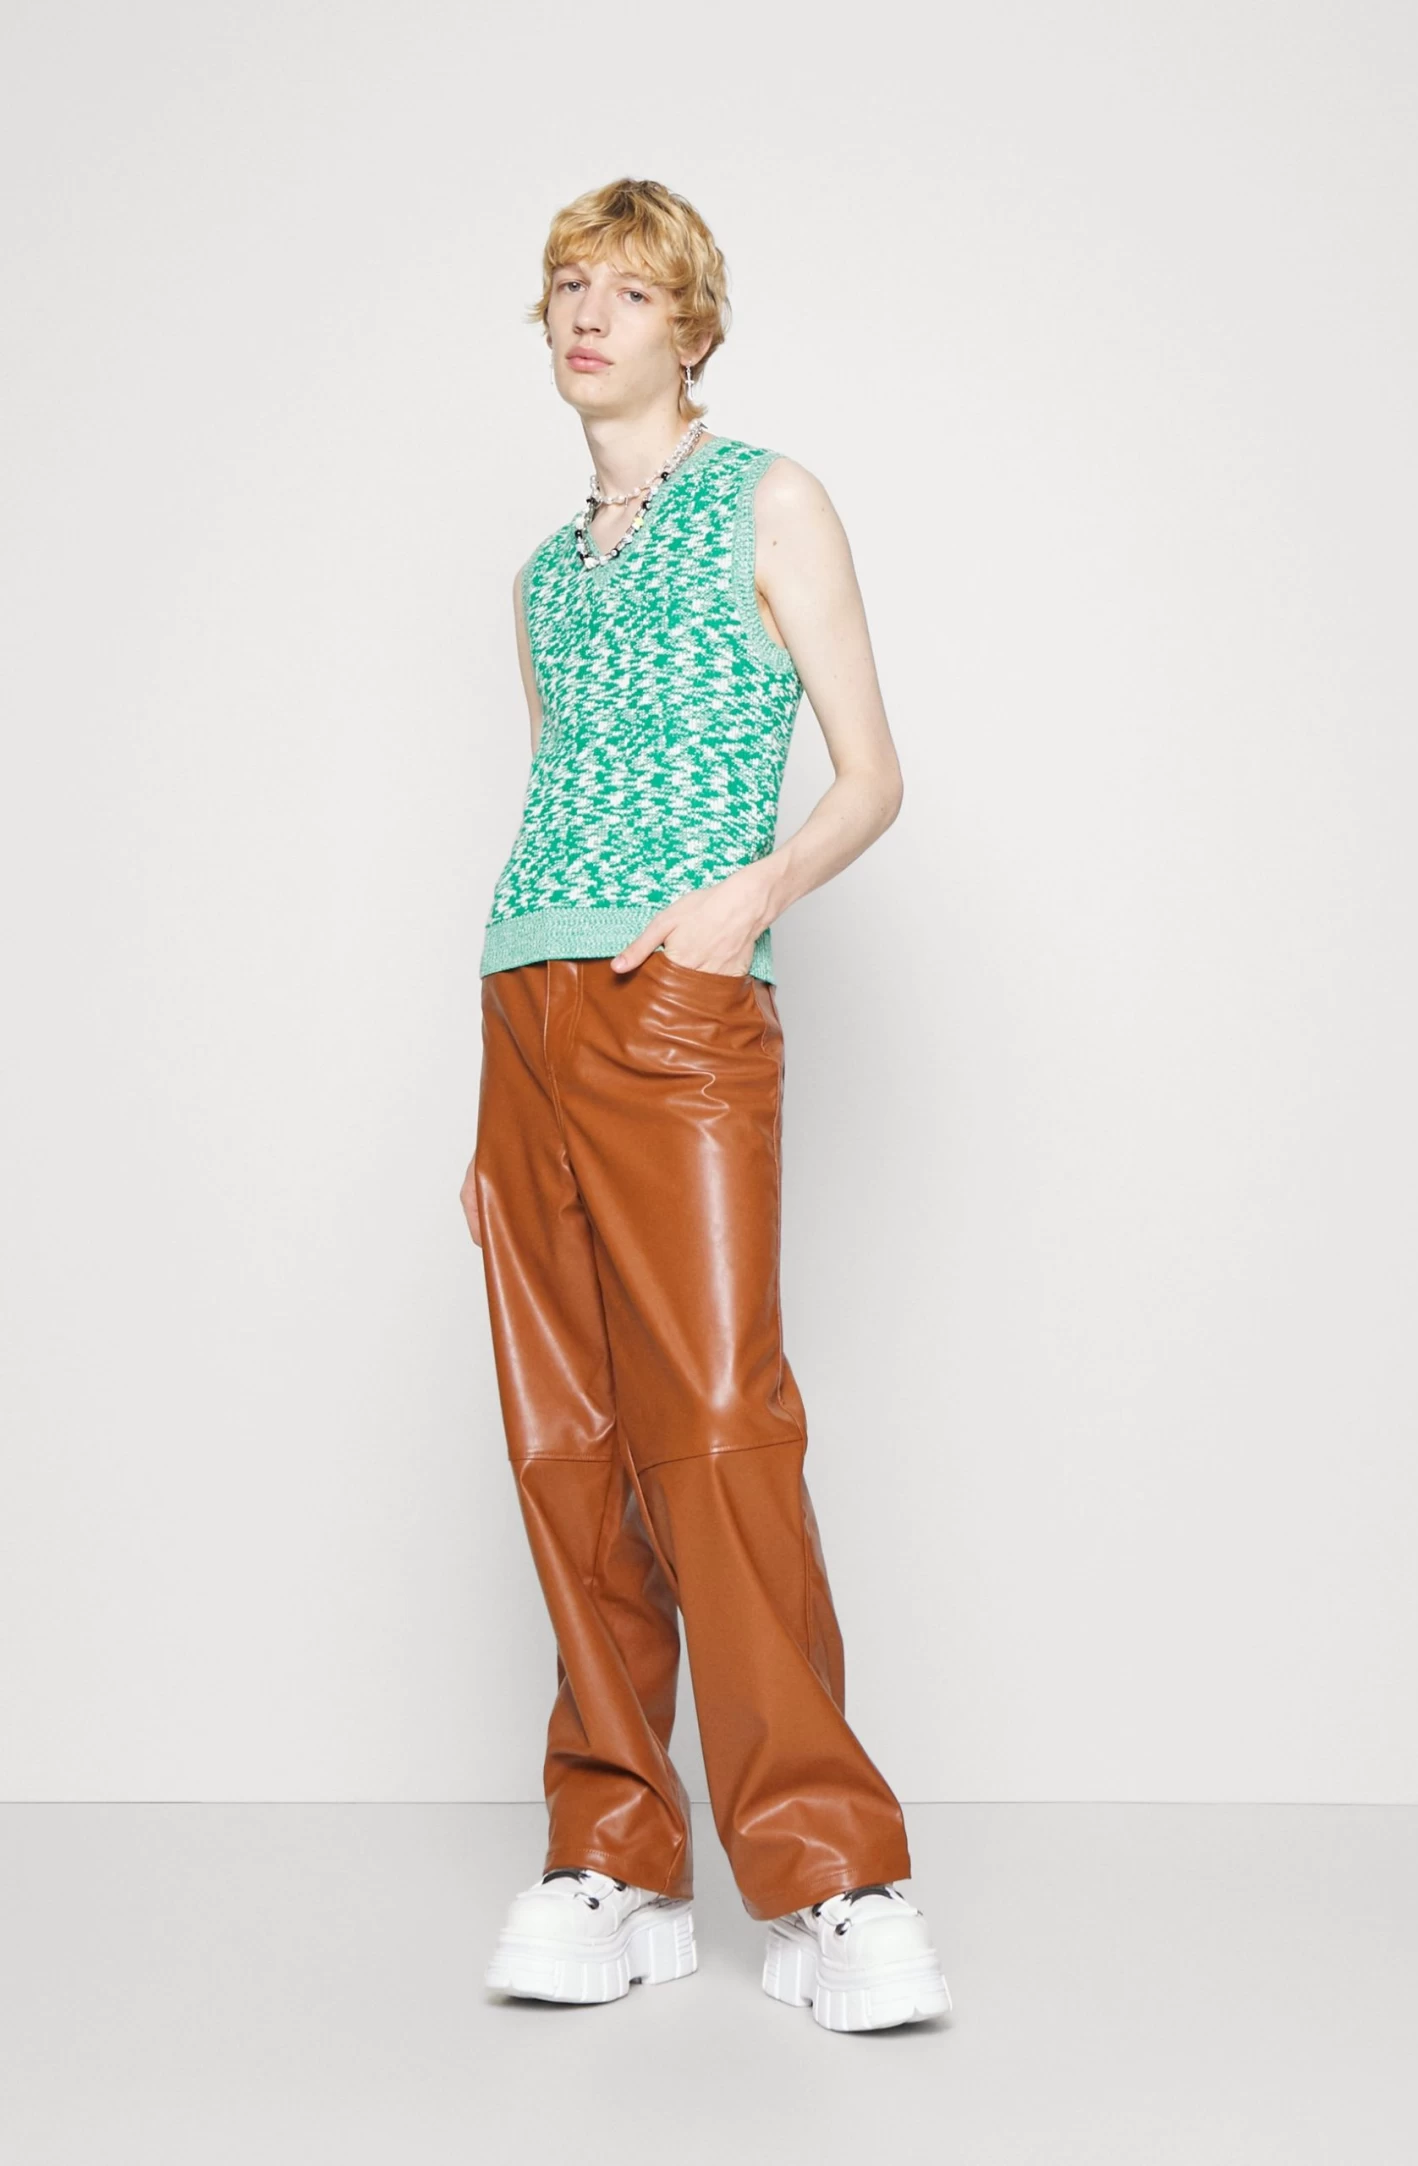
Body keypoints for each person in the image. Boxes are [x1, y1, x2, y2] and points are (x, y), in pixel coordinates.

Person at [459, 177, 950, 2034]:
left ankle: (831, 1872)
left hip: (682, 1001)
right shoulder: (539, 580)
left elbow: (871, 773)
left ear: (694, 327)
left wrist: (745, 902)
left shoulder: (770, 498)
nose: (589, 315)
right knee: (564, 1440)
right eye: (567, 287)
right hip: (524, 995)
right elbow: (561, 787)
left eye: (631, 291)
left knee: (720, 1421)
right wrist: (519, 1015)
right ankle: (616, 1853)